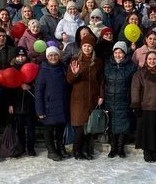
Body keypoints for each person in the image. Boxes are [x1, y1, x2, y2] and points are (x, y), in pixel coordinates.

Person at [66, 28, 105, 160]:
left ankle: (87, 150)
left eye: (89, 46)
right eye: (85, 46)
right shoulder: (75, 60)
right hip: (78, 99)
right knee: (79, 128)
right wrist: (75, 73)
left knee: (89, 127)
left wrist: (101, 96)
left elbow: (101, 81)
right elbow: (69, 80)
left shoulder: (98, 62)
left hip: (92, 97)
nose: (87, 48)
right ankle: (77, 151)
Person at [131, 50, 156, 162]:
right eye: (150, 59)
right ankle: (146, 151)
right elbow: (135, 89)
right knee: (146, 131)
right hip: (145, 106)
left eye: (154, 59)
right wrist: (136, 104)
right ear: (146, 60)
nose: (152, 61)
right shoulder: (140, 73)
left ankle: (154, 150)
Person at [35, 46, 69, 161]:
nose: (53, 57)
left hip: (62, 104)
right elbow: (38, 91)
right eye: (50, 55)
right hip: (49, 106)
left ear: (58, 56)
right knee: (49, 129)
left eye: (55, 55)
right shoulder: (43, 71)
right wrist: (40, 110)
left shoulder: (63, 68)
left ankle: (60, 147)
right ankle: (51, 150)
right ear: (47, 57)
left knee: (60, 128)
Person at [104, 41, 137, 158]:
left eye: (120, 53)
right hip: (109, 100)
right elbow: (104, 82)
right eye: (116, 52)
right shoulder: (108, 65)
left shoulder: (131, 66)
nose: (118, 55)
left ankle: (120, 147)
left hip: (124, 100)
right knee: (111, 125)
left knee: (123, 124)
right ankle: (113, 148)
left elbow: (134, 85)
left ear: (125, 53)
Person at [4, 46, 37, 156]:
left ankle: (31, 147)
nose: (21, 58)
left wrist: (30, 86)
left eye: (23, 56)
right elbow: (9, 88)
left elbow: (37, 83)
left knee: (31, 127)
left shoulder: (32, 67)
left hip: (29, 103)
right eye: (18, 56)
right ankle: (21, 147)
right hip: (17, 103)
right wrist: (10, 104)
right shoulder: (12, 68)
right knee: (20, 127)